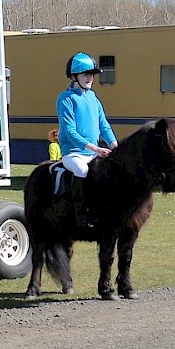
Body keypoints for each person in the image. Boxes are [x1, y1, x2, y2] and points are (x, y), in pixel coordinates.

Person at [56, 52, 117, 225]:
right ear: (74, 76)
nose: (90, 78)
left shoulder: (93, 97)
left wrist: (115, 145)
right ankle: (80, 212)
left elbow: (104, 125)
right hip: (73, 154)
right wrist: (96, 149)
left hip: (92, 153)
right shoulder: (65, 99)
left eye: (91, 74)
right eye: (85, 74)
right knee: (82, 170)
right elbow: (70, 133)